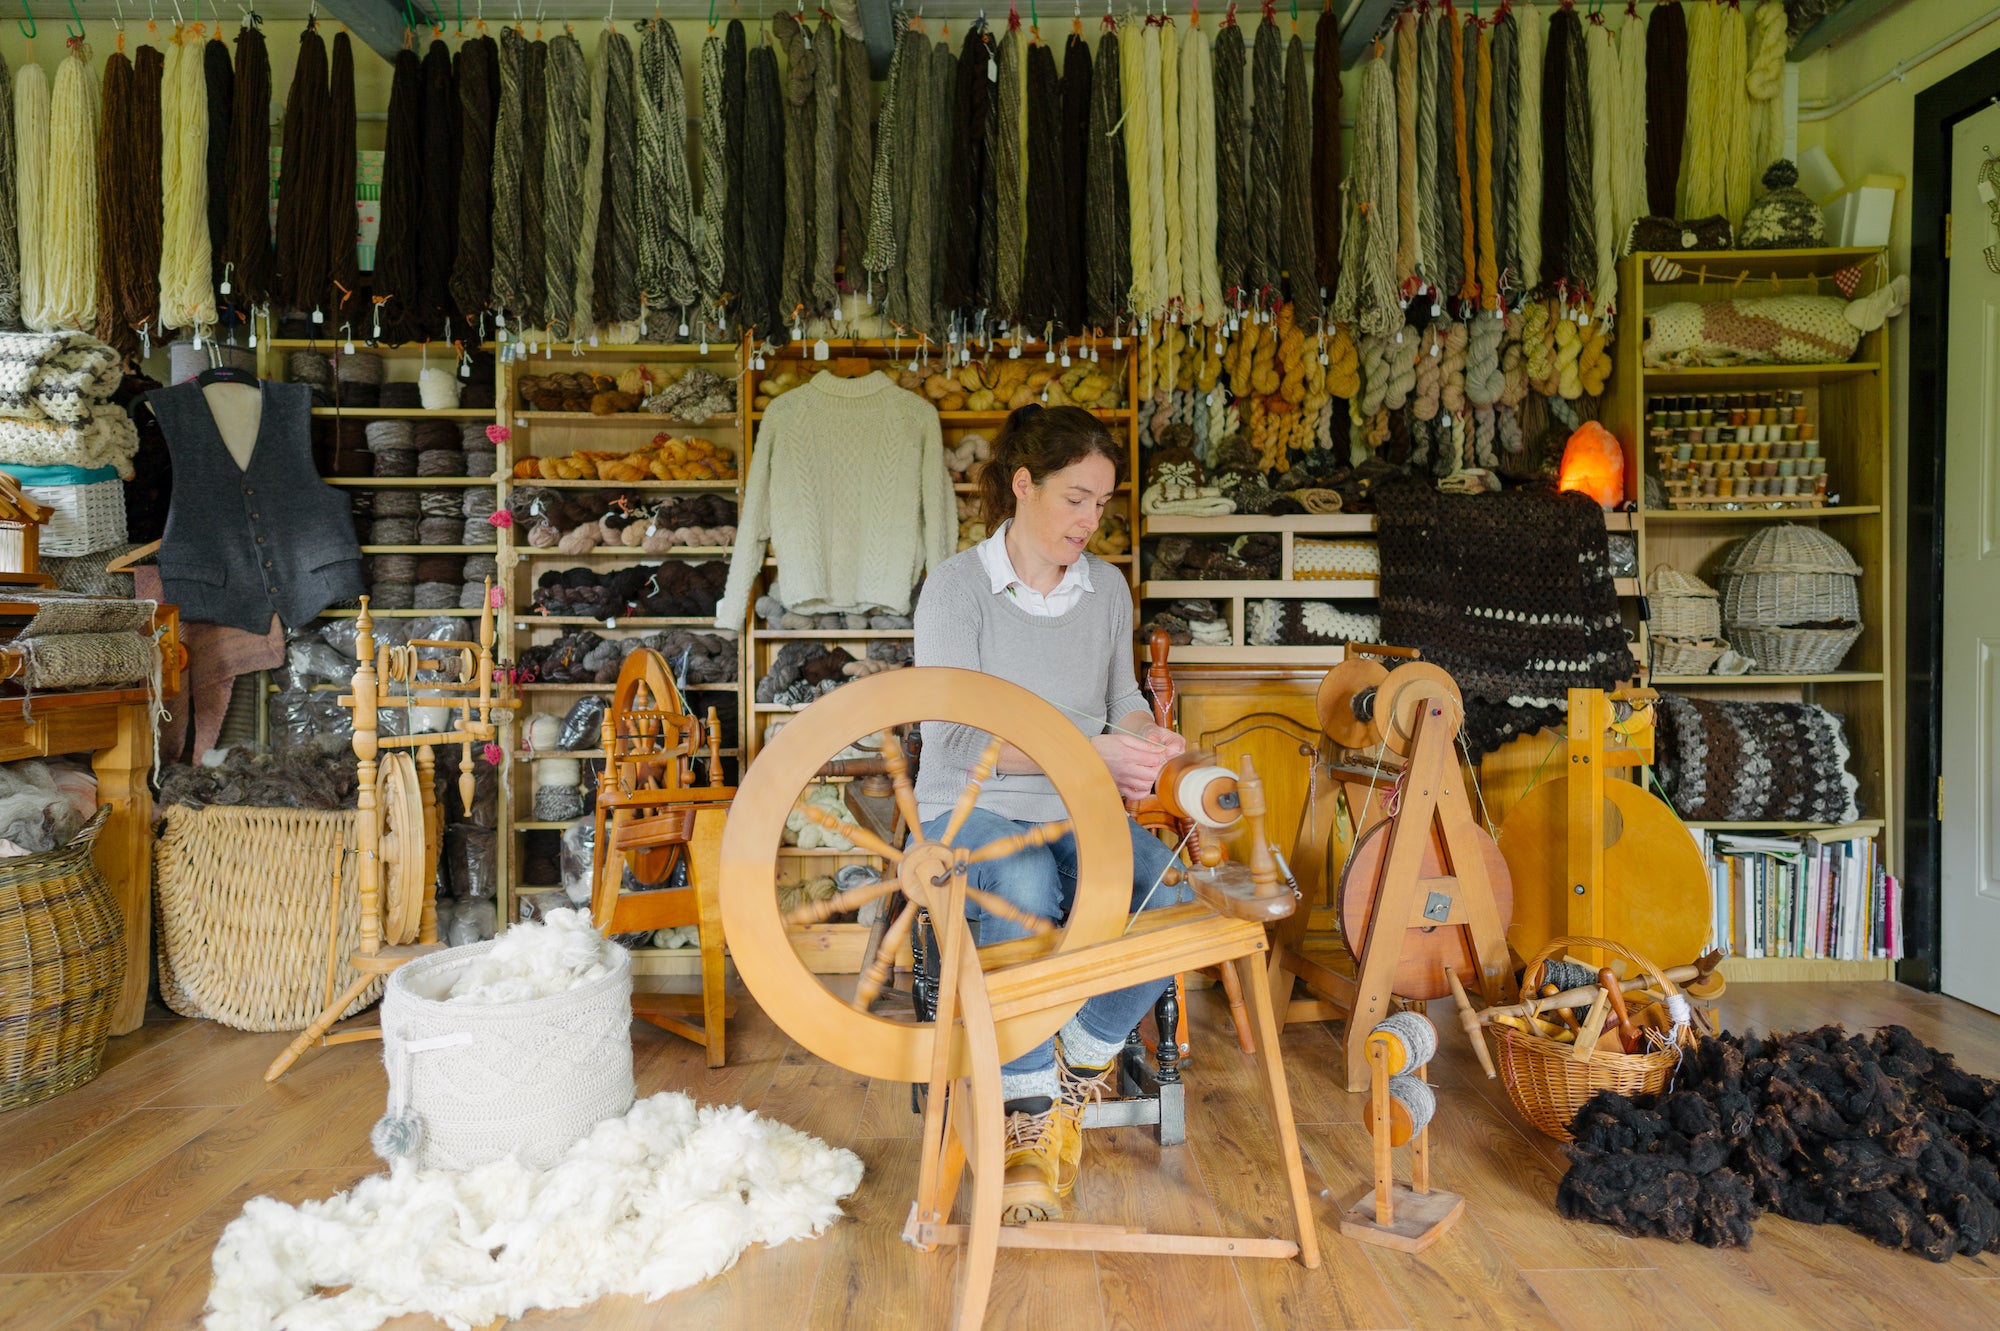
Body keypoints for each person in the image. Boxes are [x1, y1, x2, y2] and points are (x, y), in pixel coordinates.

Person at [913, 402, 1190, 1226]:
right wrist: (1087, 754)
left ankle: (1074, 1064)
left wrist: (1148, 739)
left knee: (1165, 896)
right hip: (971, 807)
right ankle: (1026, 1117)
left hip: (1079, 804)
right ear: (1023, 486)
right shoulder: (957, 589)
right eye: (1074, 498)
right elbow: (956, 736)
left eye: (1101, 502)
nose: (1088, 519)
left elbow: (1120, 700)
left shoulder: (1105, 587)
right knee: (1022, 885)